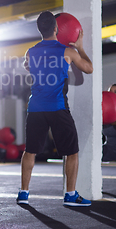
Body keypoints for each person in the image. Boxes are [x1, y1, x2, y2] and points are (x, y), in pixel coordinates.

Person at [17, 11, 93, 207]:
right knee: (72, 152)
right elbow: (88, 68)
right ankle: (70, 195)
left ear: (39, 30)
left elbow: (28, 67)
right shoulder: (67, 52)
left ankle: (23, 193)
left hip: (35, 109)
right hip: (57, 107)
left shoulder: (30, 52)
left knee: (30, 151)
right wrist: (81, 49)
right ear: (56, 29)